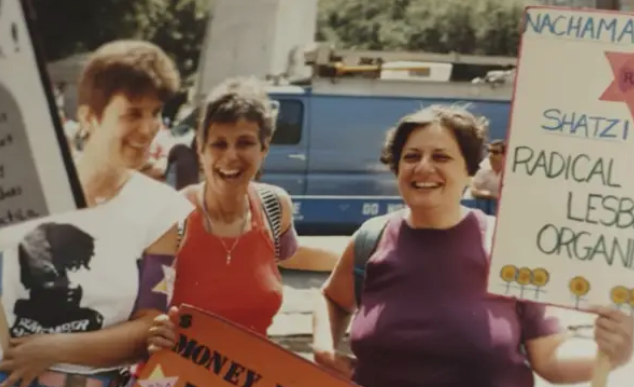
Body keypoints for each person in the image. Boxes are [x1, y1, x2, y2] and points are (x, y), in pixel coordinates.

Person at [311, 105, 633, 387]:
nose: (423, 167)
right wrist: (324, 348)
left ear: (468, 171)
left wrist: (610, 353)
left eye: (441, 156)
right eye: (411, 156)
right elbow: (332, 299)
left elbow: (550, 357)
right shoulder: (371, 238)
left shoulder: (510, 246)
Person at [0, 40, 193, 387]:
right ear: (89, 117)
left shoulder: (162, 210)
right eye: (133, 113)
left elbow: (149, 324)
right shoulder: (27, 188)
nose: (149, 128)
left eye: (156, 113)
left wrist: (51, 349)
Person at [143, 77, 338, 356]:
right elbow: (145, 316)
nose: (231, 156)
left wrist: (366, 258)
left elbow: (288, 252)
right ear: (200, 149)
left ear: (264, 148)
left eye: (244, 143)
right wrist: (153, 333)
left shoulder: (274, 206)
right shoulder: (172, 216)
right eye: (218, 144)